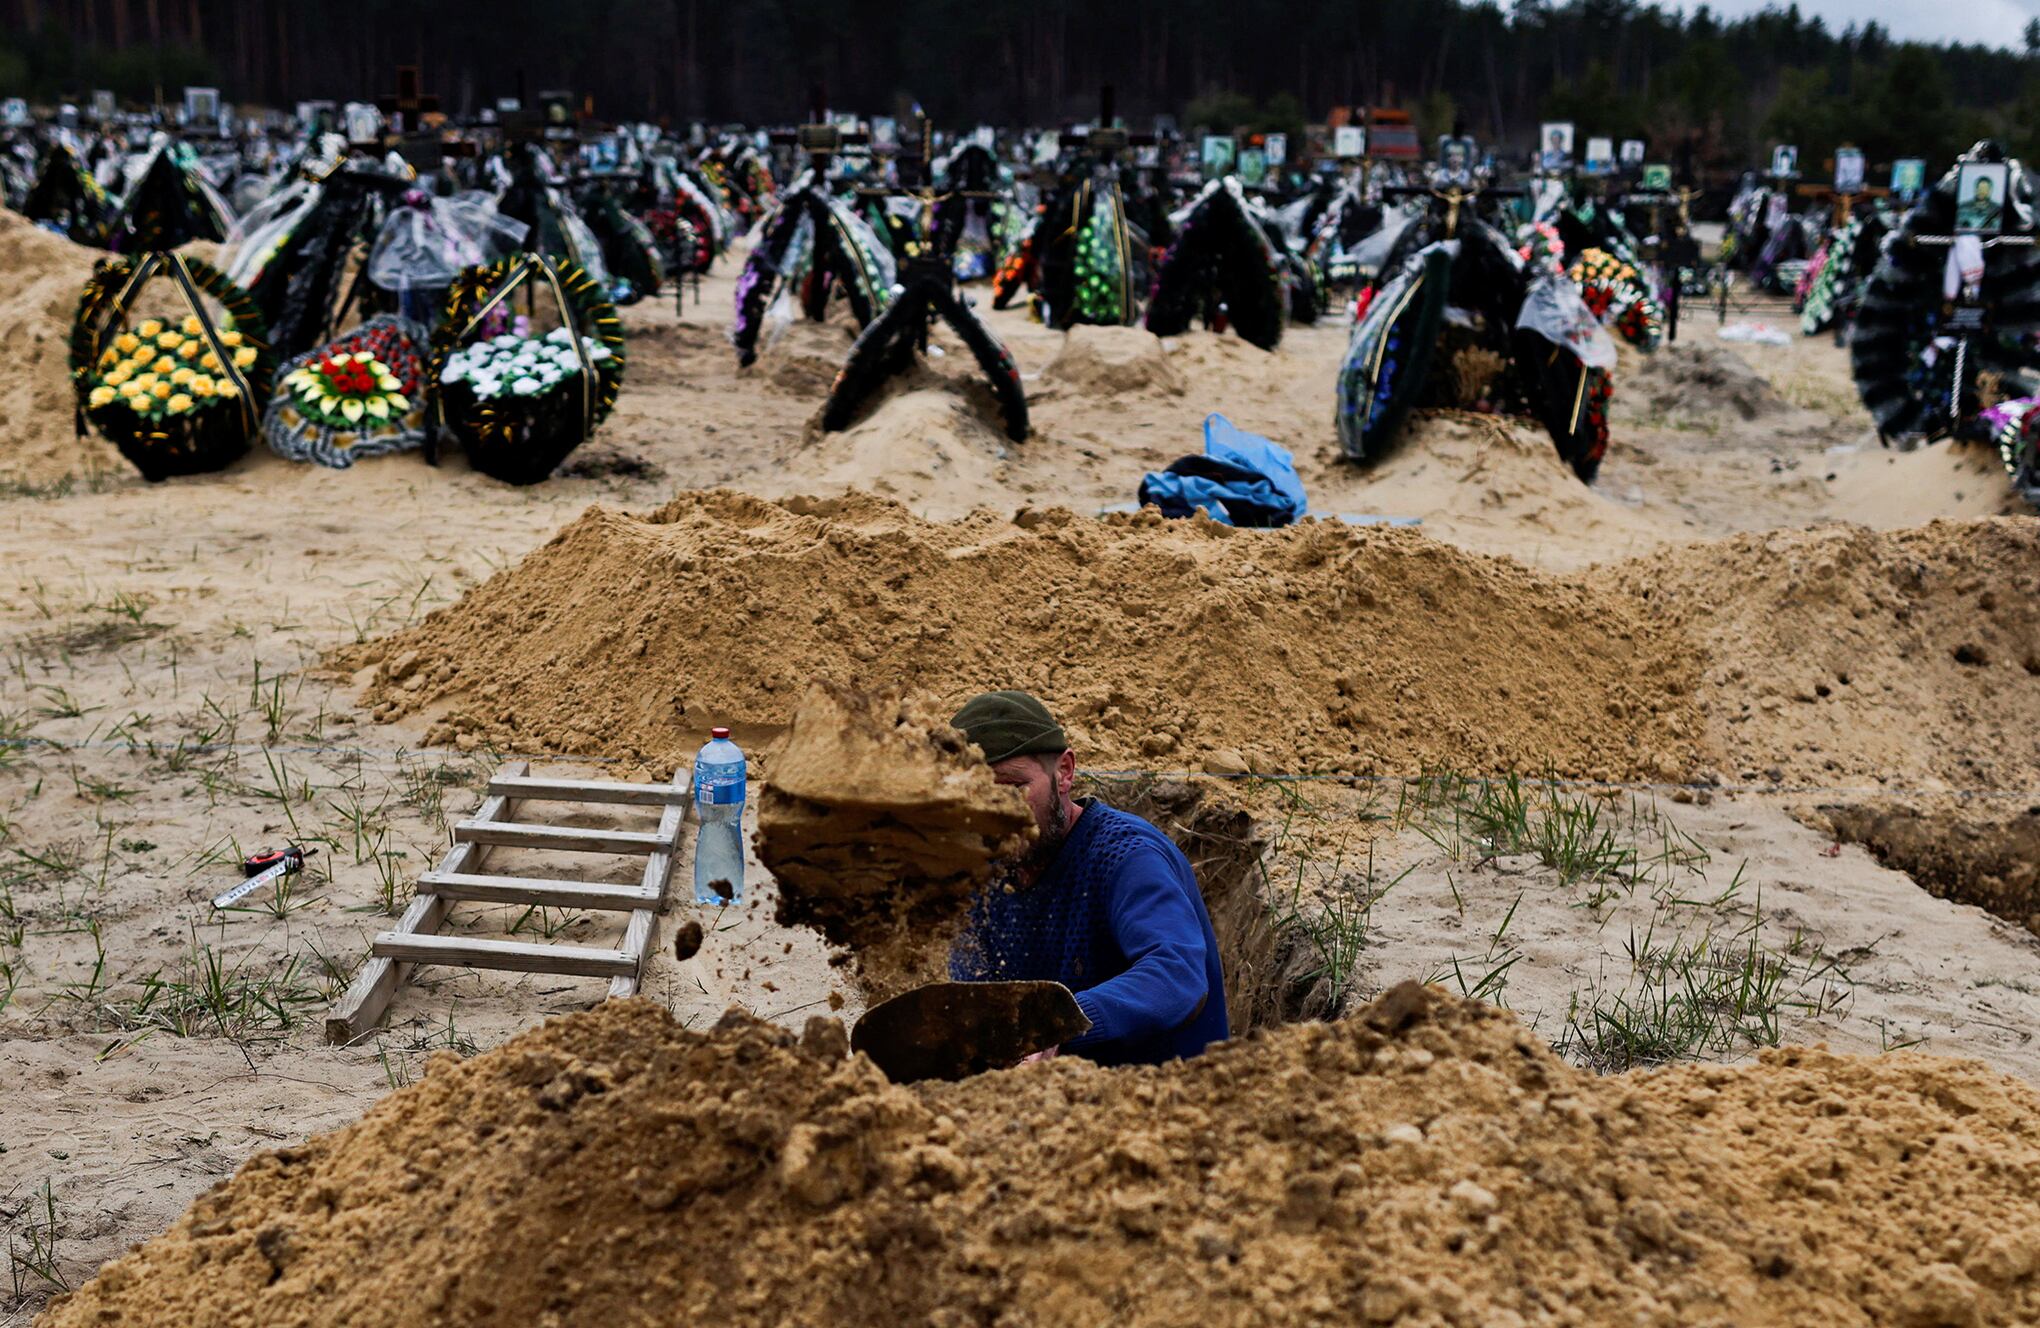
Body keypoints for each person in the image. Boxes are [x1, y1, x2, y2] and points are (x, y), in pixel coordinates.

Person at [947, 690, 1228, 1067]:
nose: (994, 813)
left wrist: (1057, 1022)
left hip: (1167, 1104)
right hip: (1038, 1112)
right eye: (973, 795)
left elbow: (1176, 973)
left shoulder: (1125, 856)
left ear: (1064, 772)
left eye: (1014, 789)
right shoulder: (979, 874)